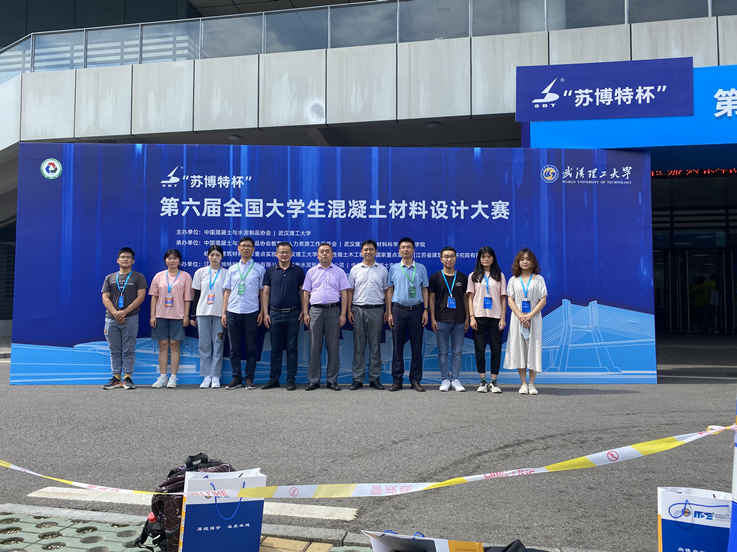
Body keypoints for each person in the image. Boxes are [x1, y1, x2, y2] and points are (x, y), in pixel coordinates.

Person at [302, 242, 350, 391]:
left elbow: (344, 293)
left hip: (333, 311)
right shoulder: (311, 272)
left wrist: (343, 314)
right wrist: (305, 313)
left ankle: (332, 380)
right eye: (321, 251)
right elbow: (306, 293)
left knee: (333, 348)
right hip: (315, 311)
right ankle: (313, 380)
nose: (324, 254)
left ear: (332, 255)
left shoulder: (339, 272)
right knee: (314, 348)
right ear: (317, 255)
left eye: (327, 251)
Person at [222, 236, 266, 390]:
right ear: (238, 248)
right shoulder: (232, 269)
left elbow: (262, 292)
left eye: (249, 246)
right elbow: (227, 291)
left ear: (253, 249)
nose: (246, 248)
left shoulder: (259, 269)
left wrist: (263, 311)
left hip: (251, 311)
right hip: (232, 311)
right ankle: (236, 377)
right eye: (243, 245)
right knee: (234, 347)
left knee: (251, 347)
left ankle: (249, 378)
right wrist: (224, 313)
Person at [386, 237, 429, 392]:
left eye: (408, 247)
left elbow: (424, 289)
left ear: (413, 250)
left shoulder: (421, 268)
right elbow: (390, 290)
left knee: (417, 346)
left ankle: (415, 380)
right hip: (398, 310)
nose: (405, 249)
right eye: (403, 247)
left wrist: (426, 310)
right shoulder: (394, 268)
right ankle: (397, 380)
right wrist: (389, 312)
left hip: (417, 310)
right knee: (397, 346)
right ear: (399, 250)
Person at [101, 247, 147, 390]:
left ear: (133, 261)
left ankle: (127, 378)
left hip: (130, 318)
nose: (125, 259)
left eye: (128, 257)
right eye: (122, 257)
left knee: (128, 349)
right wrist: (116, 313)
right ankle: (116, 377)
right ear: (118, 260)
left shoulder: (138, 277)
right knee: (114, 350)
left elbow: (141, 297)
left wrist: (124, 312)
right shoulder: (109, 277)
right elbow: (105, 297)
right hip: (111, 318)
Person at [262, 242, 305, 391]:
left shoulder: (298, 271)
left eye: (287, 252)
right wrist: (265, 312)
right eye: (282, 252)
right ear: (276, 254)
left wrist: (304, 310)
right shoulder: (270, 271)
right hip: (274, 314)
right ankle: (274, 379)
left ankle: (291, 380)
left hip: (293, 314)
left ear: (291, 254)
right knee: (276, 349)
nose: (284, 255)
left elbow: (303, 292)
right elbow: (266, 292)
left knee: (292, 348)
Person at [503, 248, 547, 395]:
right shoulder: (513, 280)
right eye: (522, 259)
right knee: (519, 349)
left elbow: (543, 300)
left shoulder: (539, 279)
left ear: (533, 262)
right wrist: (521, 316)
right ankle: (523, 383)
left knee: (533, 348)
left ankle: (532, 383)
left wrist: (529, 316)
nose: (525, 262)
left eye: (528, 259)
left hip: (534, 318)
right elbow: (510, 300)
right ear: (518, 262)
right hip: (517, 319)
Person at [347, 239, 389, 390]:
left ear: (376, 251)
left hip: (376, 310)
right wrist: (348, 310)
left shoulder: (383, 270)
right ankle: (357, 379)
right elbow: (350, 291)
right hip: (358, 310)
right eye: (365, 249)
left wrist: (388, 311)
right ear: (361, 252)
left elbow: (387, 291)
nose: (368, 252)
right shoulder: (355, 269)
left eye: (371, 249)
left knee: (375, 346)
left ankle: (374, 378)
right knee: (359, 346)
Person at [149, 249, 194, 388]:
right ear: (165, 260)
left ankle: (173, 377)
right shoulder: (159, 276)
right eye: (169, 258)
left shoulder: (186, 276)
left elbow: (188, 298)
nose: (172, 261)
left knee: (175, 345)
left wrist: (186, 315)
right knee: (163, 346)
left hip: (178, 316)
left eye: (175, 258)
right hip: (160, 315)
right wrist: (152, 315)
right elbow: (154, 297)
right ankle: (163, 377)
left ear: (179, 261)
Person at [466, 246, 507, 393]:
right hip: (478, 317)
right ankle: (482, 381)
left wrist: (503, 318)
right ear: (479, 259)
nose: (486, 259)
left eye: (488, 256)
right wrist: (472, 317)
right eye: (483, 257)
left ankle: (493, 381)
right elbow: (470, 298)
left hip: (496, 317)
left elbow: (503, 298)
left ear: (493, 258)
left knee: (496, 350)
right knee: (480, 350)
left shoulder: (500, 276)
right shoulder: (473, 276)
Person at [429, 246, 469, 392]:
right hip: (441, 319)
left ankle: (455, 379)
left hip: (459, 319)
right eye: (446, 256)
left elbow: (466, 299)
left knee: (457, 352)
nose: (449, 259)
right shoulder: (435, 277)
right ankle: (445, 379)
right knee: (443, 352)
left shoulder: (462, 277)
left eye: (452, 256)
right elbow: (431, 299)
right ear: (441, 259)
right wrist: (433, 319)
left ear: (456, 258)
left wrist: (467, 318)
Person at [191, 245, 226, 389]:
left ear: (222, 257)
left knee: (218, 344)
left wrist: (226, 313)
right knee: (204, 345)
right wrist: (192, 315)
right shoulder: (200, 272)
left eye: (217, 255)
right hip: (202, 313)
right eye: (212, 255)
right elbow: (196, 295)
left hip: (219, 314)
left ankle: (216, 375)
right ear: (208, 256)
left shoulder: (226, 273)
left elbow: (228, 295)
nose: (214, 258)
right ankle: (206, 376)